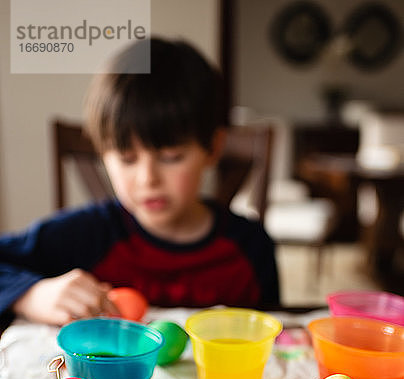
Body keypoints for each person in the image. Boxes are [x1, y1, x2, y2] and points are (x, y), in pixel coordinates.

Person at [0, 37, 279, 327]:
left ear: (213, 148)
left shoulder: (251, 248)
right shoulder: (85, 235)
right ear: (102, 154)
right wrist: (32, 294)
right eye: (127, 158)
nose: (148, 179)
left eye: (171, 156)